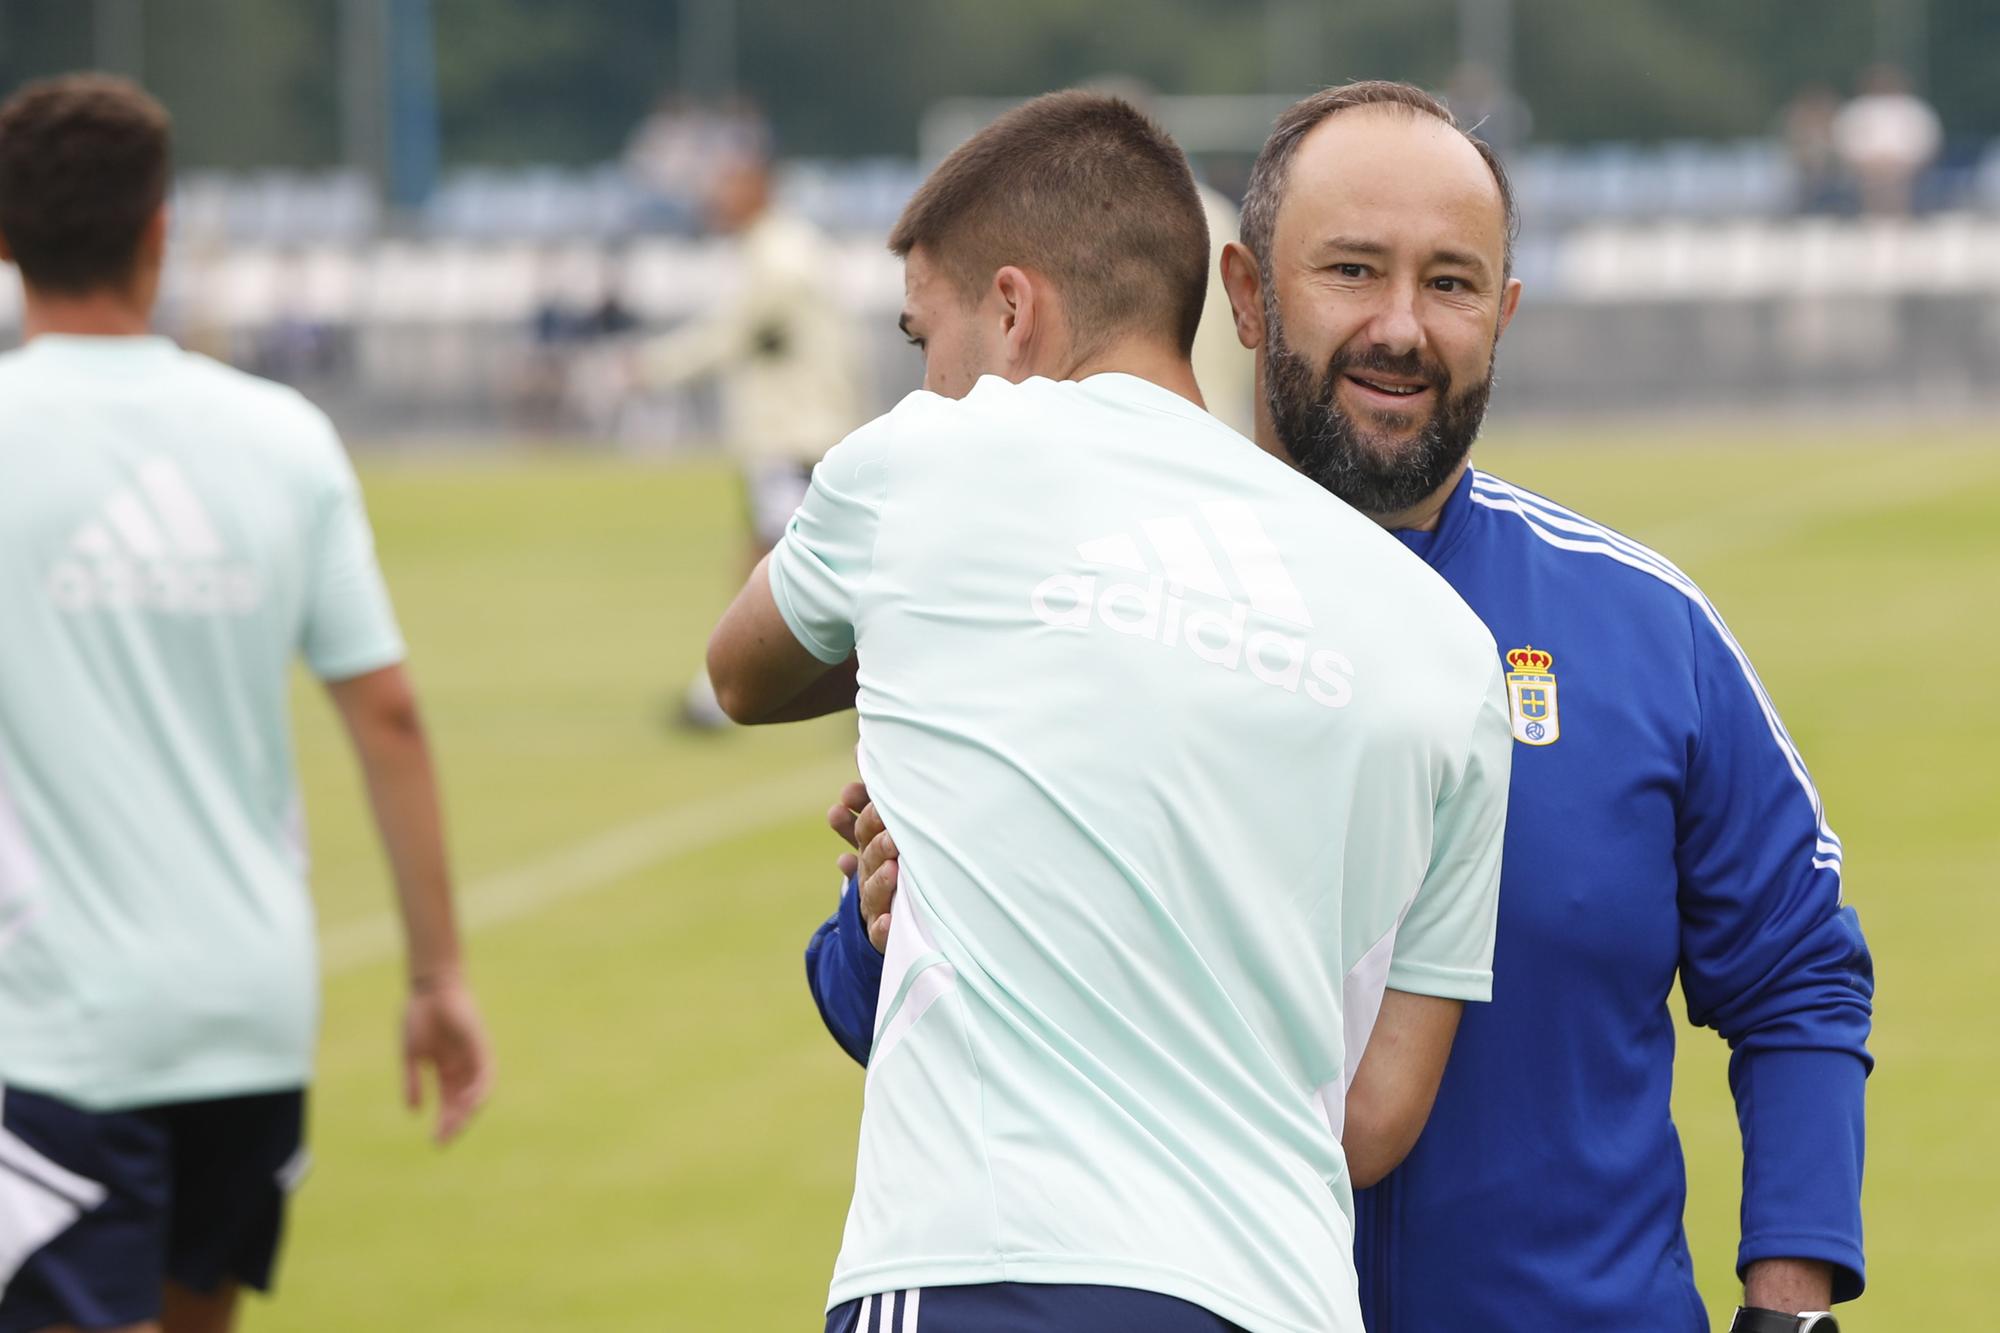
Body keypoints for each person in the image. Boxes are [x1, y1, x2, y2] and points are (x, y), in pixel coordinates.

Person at [808, 81, 1873, 1333]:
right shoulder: (1069, 598)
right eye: (1352, 271)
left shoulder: (1644, 630)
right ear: (1248, 297)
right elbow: (874, 998)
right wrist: (876, 932)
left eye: (1452, 283)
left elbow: (1796, 974)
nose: (1401, 328)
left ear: (1505, 314)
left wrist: (1788, 1306)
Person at [708, 90, 1512, 1333]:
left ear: (1015, 311)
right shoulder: (1448, 650)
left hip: (982, 1264)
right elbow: (1366, 1124)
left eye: (927, 336)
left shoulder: (926, 460)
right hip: (1276, 1294)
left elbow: (742, 674)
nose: (925, 378)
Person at [0, 75, 493, 1333]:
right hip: (249, 1012)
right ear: (161, 231)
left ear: (5, 242)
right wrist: (437, 972)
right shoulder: (281, 436)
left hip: (57, 1023)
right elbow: (386, 716)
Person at [635, 141, 866, 729]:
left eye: (729, 184)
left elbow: (729, 335)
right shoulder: (783, 248)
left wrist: (651, 367)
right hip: (801, 433)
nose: (717, 199)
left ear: (761, 186)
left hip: (794, 436)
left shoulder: (779, 257)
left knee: (777, 560)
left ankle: (718, 697)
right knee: (790, 559)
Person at [1832, 64, 1942, 217]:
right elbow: (1845, 142)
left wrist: (1900, 164)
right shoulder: (1857, 109)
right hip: (1864, 170)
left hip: (1907, 169)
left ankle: (1902, 216)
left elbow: (1927, 142)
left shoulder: (1914, 109)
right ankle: (1870, 215)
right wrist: (1870, 165)